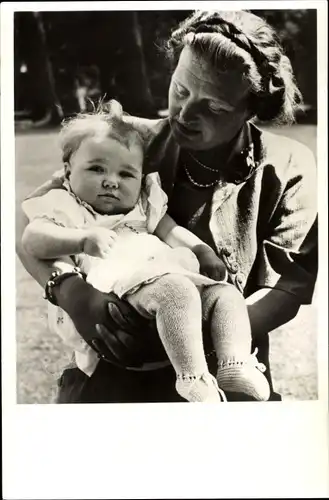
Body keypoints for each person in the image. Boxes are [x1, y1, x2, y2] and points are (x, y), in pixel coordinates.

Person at [16, 10, 318, 403]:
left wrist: (185, 329)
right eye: (180, 90)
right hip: (113, 374)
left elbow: (284, 290)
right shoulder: (124, 145)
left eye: (214, 108)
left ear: (250, 110)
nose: (185, 114)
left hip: (227, 375)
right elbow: (34, 218)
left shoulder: (288, 165)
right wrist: (72, 293)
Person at [21, 102, 271, 403]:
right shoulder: (66, 204)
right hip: (120, 283)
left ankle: (235, 364)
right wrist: (81, 240)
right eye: (96, 168)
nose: (111, 181)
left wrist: (201, 250)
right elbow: (32, 238)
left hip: (167, 271)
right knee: (176, 292)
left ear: (141, 179)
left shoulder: (142, 204)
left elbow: (170, 230)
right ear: (67, 171)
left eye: (126, 174)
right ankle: (193, 379)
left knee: (225, 295)